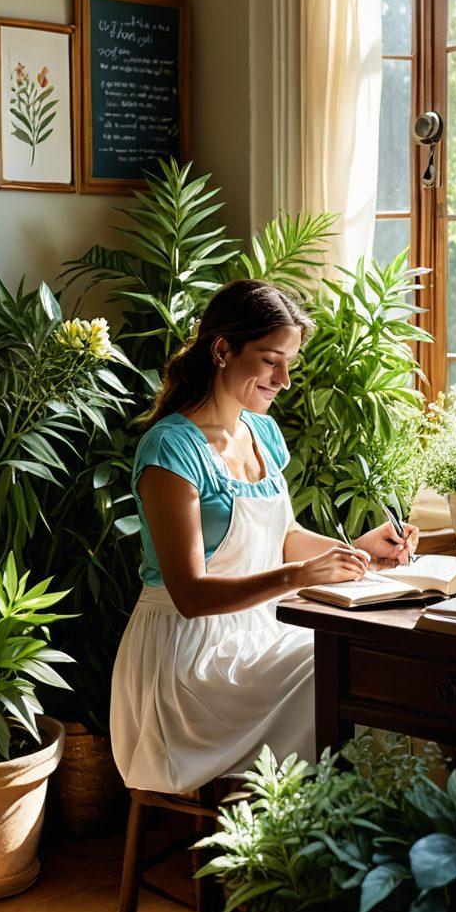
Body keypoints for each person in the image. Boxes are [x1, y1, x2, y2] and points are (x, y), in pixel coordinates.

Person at [110, 279, 418, 794]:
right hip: (186, 667)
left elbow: (284, 534)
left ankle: (322, 845)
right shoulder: (171, 450)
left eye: (290, 362)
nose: (286, 379)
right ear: (222, 350)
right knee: (336, 672)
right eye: (272, 360)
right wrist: (299, 576)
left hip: (255, 637)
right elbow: (189, 595)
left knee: (360, 660)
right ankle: (299, 853)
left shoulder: (261, 432)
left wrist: (361, 549)